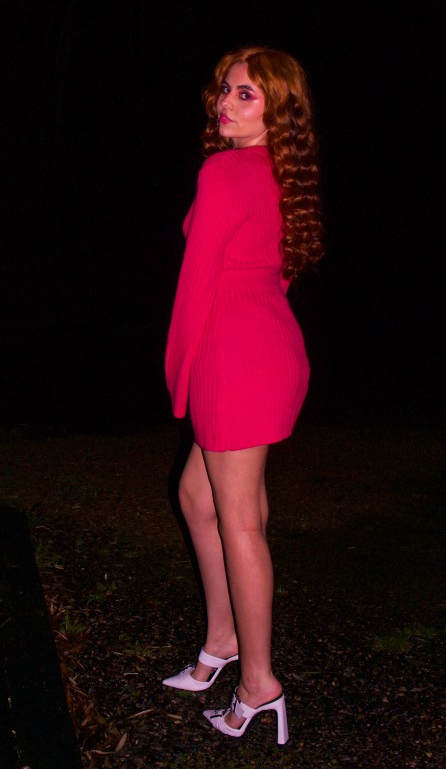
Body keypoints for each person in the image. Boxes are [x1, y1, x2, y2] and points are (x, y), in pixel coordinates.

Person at [163, 45, 324, 743]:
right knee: (199, 499)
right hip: (268, 344)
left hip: (233, 354)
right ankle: (222, 640)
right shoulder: (279, 172)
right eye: (226, 89)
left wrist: (179, 372)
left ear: (277, 110)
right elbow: (279, 271)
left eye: (246, 94)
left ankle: (259, 684)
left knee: (240, 521)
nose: (225, 102)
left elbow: (195, 284)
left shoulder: (225, 171)